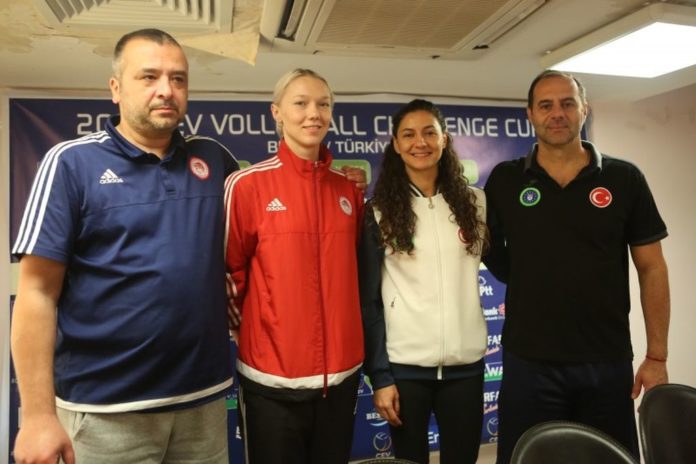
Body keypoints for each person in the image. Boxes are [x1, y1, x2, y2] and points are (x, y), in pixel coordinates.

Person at [10, 29, 239, 464]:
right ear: (115, 89)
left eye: (178, 78)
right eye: (149, 77)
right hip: (106, 413)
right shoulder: (71, 163)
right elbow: (37, 293)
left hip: (203, 404)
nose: (166, 90)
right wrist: (37, 416)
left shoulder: (213, 159)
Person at [483, 69, 670, 463]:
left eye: (567, 103)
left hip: (605, 360)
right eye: (546, 105)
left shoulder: (624, 178)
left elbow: (652, 268)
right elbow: (493, 253)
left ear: (584, 109)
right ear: (530, 114)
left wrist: (656, 357)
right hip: (529, 362)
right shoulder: (504, 180)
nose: (557, 113)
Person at [224, 68, 365, 464]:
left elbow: (352, 271)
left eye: (323, 104)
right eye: (301, 103)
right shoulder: (247, 185)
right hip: (272, 378)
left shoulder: (348, 189)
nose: (313, 113)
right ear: (277, 113)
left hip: (341, 377)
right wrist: (260, 332)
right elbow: (229, 274)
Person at [358, 99, 489, 464]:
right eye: (409, 134)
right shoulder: (378, 211)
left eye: (430, 133)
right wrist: (381, 377)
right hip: (404, 370)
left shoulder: (477, 203)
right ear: (396, 144)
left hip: (465, 368)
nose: (421, 142)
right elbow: (369, 300)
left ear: (444, 139)